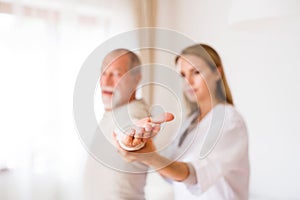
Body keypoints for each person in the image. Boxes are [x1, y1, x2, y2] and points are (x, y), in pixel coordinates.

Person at [114, 44, 250, 200]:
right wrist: (143, 147)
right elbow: (171, 174)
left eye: (196, 72)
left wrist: (150, 157)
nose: (188, 82)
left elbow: (196, 176)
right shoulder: (189, 123)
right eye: (183, 75)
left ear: (217, 72)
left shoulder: (230, 121)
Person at [83, 48, 162, 200]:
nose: (105, 81)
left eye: (116, 74)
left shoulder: (135, 113)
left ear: (136, 79)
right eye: (104, 73)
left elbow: (129, 128)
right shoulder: (112, 112)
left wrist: (131, 138)